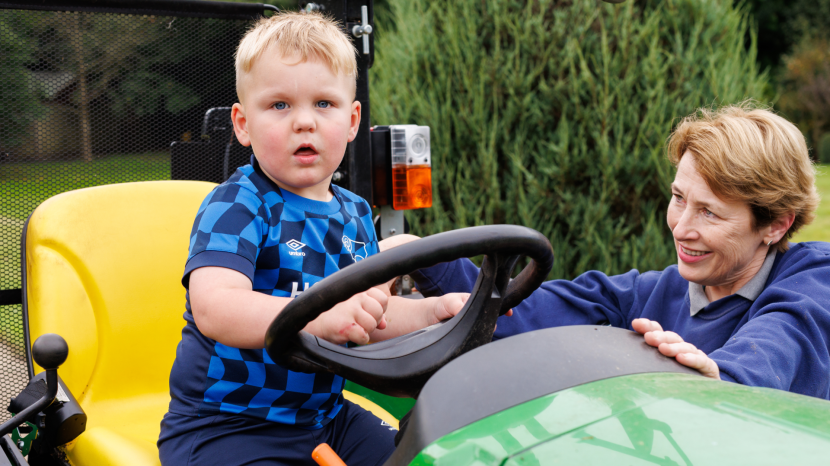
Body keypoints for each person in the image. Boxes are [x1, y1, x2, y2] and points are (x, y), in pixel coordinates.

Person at [157, 12, 466, 465]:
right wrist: (317, 317)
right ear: (243, 124)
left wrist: (430, 312)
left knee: (418, 455)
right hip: (225, 425)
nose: (305, 122)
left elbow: (366, 320)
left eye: (324, 103)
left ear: (353, 118)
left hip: (323, 417)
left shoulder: (355, 213)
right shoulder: (238, 205)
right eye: (280, 105)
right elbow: (215, 309)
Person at [392, 104, 830, 399]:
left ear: (777, 224)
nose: (682, 227)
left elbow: (779, 346)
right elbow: (511, 310)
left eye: (710, 214)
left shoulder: (811, 280)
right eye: (679, 198)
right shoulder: (646, 297)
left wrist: (723, 379)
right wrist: (417, 254)